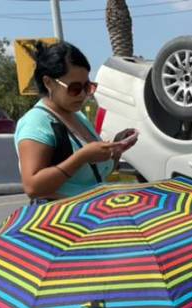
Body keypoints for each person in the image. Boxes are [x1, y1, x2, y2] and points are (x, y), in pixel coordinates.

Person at [15, 41, 131, 201]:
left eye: (87, 87)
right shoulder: (36, 123)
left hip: (91, 213)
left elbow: (94, 176)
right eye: (74, 88)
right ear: (48, 82)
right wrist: (82, 157)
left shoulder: (77, 116)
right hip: (63, 220)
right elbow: (33, 187)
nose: (83, 95)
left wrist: (116, 149)